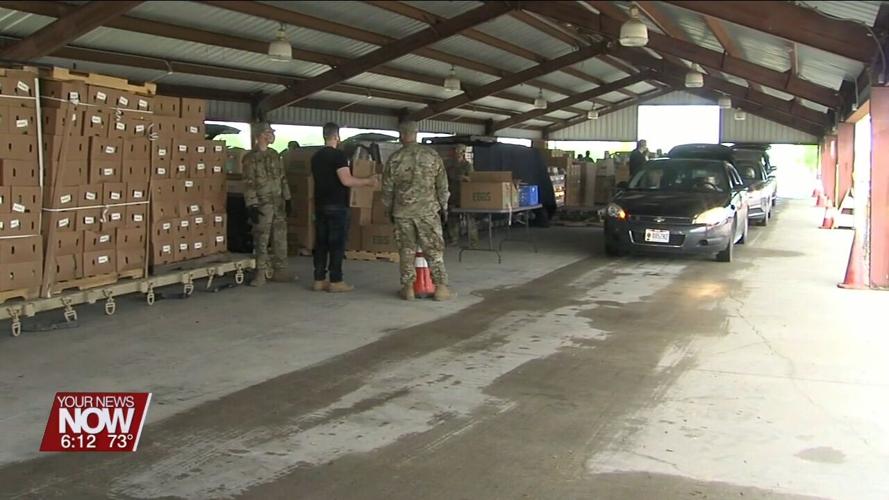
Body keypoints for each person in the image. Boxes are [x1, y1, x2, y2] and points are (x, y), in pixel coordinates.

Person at [382, 121, 451, 301]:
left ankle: (408, 289)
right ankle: (441, 288)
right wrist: (444, 207)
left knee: (406, 251)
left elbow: (387, 190)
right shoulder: (432, 155)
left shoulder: (394, 158)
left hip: (402, 212)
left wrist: (389, 210)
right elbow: (442, 185)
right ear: (416, 133)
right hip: (427, 212)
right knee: (434, 250)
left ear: (401, 135)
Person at [310, 122, 376, 293]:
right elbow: (346, 180)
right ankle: (336, 280)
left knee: (321, 243)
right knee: (337, 244)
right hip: (337, 204)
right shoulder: (338, 156)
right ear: (337, 136)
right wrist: (368, 181)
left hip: (320, 204)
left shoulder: (315, 157)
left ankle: (318, 279)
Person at [242, 123, 294, 287]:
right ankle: (260, 274)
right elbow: (248, 183)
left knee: (280, 237)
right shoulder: (250, 158)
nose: (271, 135)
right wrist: (251, 205)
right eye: (269, 132)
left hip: (277, 202)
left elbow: (282, 177)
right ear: (260, 135)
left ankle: (281, 271)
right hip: (262, 204)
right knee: (261, 239)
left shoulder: (274, 154)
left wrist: (288, 198)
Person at [445, 144, 478, 248]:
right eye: (456, 152)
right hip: (453, 195)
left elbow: (472, 179)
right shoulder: (450, 166)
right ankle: (454, 239)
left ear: (463, 153)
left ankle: (473, 242)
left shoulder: (468, 165)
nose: (457, 155)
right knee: (452, 219)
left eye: (460, 152)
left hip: (465, 195)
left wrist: (464, 178)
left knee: (470, 219)